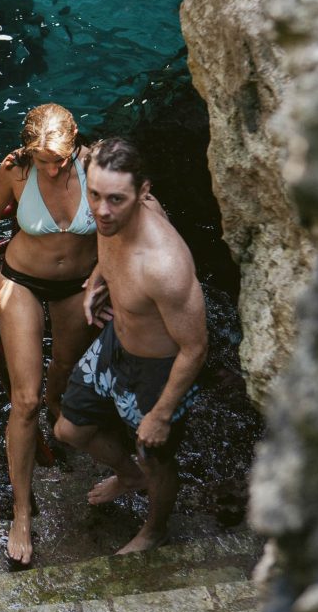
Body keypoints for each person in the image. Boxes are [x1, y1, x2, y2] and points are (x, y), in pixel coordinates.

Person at [0, 103, 97, 566]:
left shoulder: (97, 165)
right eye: (45, 159)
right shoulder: (16, 170)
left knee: (65, 373)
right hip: (23, 281)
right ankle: (21, 511)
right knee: (25, 399)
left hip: (79, 285)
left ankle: (57, 413)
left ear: (76, 142)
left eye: (61, 159)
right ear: (30, 148)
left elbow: (127, 217)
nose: (53, 168)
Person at [54, 137, 208, 554]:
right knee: (69, 429)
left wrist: (160, 414)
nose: (101, 211)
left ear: (144, 193)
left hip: (156, 370)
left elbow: (195, 348)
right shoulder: (108, 215)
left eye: (116, 199)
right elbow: (108, 246)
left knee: (153, 456)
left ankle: (155, 529)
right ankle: (128, 476)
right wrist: (96, 283)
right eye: (95, 194)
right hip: (114, 342)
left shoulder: (165, 266)